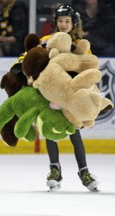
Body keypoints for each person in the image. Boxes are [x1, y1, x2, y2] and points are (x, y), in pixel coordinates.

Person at [40, 4, 99, 192]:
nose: (63, 24)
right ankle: (54, 170)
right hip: (52, 95)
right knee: (50, 131)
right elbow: (30, 56)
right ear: (55, 23)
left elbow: (89, 67)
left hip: (71, 97)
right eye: (60, 21)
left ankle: (84, 172)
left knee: (75, 133)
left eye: (67, 21)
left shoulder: (81, 44)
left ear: (74, 23)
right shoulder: (46, 40)